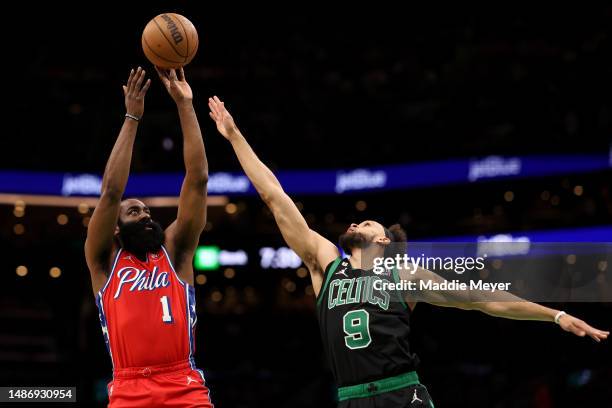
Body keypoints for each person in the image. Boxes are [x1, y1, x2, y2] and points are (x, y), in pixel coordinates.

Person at [207, 96, 609, 408]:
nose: (354, 223)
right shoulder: (325, 264)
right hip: (350, 396)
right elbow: (274, 197)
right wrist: (233, 133)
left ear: (384, 241)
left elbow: (483, 301)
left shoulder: (405, 274)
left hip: (402, 394)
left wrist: (554, 314)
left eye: (366, 223)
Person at [85, 66, 212, 407]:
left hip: (183, 383)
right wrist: (132, 116)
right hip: (128, 387)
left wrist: (185, 105)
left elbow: (198, 178)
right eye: (135, 211)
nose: (146, 215)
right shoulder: (105, 259)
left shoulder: (175, 250)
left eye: (147, 212)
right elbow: (111, 192)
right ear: (115, 226)